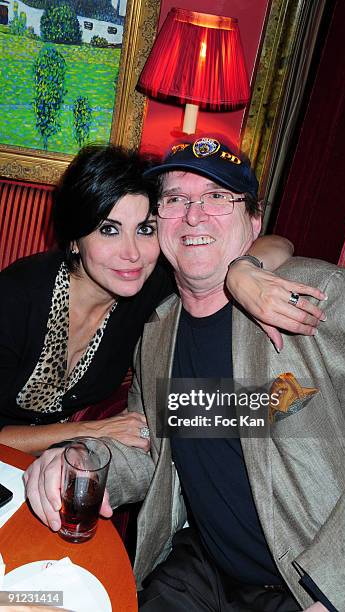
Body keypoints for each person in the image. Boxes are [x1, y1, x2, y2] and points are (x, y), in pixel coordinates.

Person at [25, 136, 345, 611]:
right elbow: (150, 446)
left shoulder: (320, 296)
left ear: (254, 220)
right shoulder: (158, 331)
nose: (194, 214)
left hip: (316, 582)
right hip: (203, 568)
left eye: (217, 197)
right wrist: (80, 457)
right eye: (175, 199)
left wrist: (335, 596)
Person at [0, 144, 325, 456]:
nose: (132, 254)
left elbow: (279, 242)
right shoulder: (16, 298)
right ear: (74, 239)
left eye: (145, 230)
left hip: (53, 463)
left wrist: (241, 273)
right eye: (109, 230)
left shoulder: (150, 286)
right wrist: (95, 430)